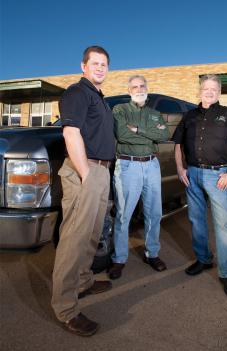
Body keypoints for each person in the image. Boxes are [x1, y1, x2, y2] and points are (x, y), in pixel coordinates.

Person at [51, 46, 115, 336]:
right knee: (74, 240)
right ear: (84, 66)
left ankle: (84, 281)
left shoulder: (98, 98)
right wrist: (87, 174)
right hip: (84, 171)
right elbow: (71, 133)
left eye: (104, 64)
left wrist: (99, 174)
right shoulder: (77, 92)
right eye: (95, 63)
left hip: (100, 171)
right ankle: (66, 309)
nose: (100, 68)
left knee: (92, 234)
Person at [172, 74, 227, 299]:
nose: (209, 91)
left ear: (219, 92)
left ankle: (226, 273)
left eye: (214, 88)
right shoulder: (189, 116)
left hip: (219, 176)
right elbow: (178, 145)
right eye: (206, 88)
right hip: (193, 174)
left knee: (224, 226)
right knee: (196, 221)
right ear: (200, 91)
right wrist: (180, 168)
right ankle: (203, 260)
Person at [108, 75, 169, 280]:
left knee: (154, 213)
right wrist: (150, 132)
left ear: (147, 88)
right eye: (134, 86)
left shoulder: (155, 113)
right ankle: (119, 259)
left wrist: (139, 129)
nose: (139, 88)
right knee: (124, 214)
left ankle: (152, 254)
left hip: (152, 165)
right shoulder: (120, 110)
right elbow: (123, 134)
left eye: (142, 85)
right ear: (129, 90)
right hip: (128, 165)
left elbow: (163, 135)